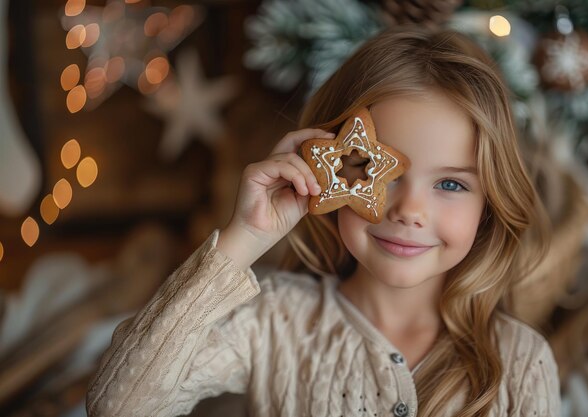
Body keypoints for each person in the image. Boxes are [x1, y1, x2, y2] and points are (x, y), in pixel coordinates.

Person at [86, 26, 560, 417]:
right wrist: (245, 238)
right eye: (378, 172)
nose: (410, 212)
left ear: (490, 204)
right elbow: (118, 406)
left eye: (451, 185)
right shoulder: (274, 319)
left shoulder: (519, 362)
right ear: (327, 168)